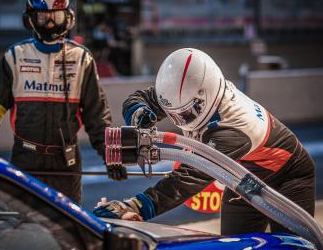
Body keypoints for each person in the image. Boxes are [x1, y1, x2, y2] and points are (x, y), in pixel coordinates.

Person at [93, 48, 316, 235]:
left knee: (293, 246)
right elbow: (139, 98)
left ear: (206, 94)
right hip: (244, 177)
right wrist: (138, 112)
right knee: (233, 245)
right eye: (173, 114)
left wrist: (138, 205)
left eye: (186, 113)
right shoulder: (189, 95)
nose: (181, 120)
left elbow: (190, 177)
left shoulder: (234, 128)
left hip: (287, 178)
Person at [0, 0, 126, 204]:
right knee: (23, 227)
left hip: (66, 162)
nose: (51, 22)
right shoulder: (14, 57)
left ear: (68, 18)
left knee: (68, 229)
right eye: (44, 17)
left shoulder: (82, 59)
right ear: (31, 19)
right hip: (25, 160)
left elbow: (97, 118)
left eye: (57, 16)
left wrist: (111, 156)